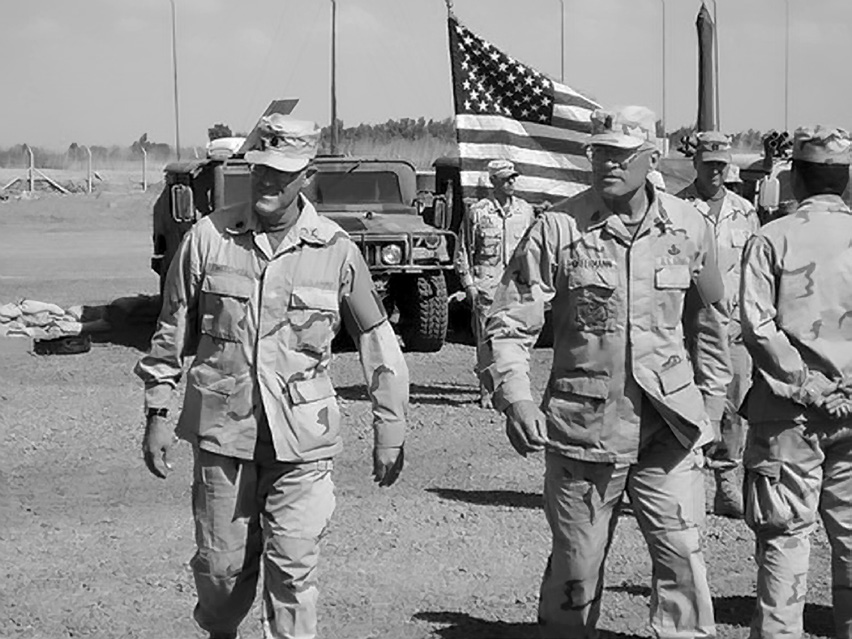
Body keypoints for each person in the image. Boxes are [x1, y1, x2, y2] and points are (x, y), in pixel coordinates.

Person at [135, 114, 408, 639]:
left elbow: (379, 342)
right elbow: (171, 329)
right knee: (220, 575)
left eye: (282, 174)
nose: (266, 182)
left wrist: (390, 428)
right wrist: (157, 410)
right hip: (223, 438)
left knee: (292, 572)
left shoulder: (336, 251)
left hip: (302, 445)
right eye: (260, 170)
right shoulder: (208, 239)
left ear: (307, 178)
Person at [481, 105, 731, 639]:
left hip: (670, 427)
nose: (607, 164)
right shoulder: (560, 228)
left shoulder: (688, 227)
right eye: (599, 153)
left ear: (651, 157)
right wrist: (516, 396)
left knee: (683, 556)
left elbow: (711, 323)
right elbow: (509, 320)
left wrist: (711, 406)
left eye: (620, 155)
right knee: (578, 565)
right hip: (585, 430)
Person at [740, 126, 852, 639]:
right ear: (846, 180)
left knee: (786, 537)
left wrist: (807, 383)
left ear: (796, 178)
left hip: (789, 414)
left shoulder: (771, 238)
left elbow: (757, 325)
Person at [676, 131, 760, 518]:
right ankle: (682, 479)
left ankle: (726, 482)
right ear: (695, 163)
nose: (715, 172)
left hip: (735, 324)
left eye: (721, 166)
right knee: (684, 400)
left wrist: (753, 316)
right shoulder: (675, 207)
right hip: (686, 325)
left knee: (733, 402)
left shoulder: (745, 211)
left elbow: (756, 270)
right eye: (708, 164)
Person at [454, 159, 535, 408]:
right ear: (493, 181)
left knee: (516, 337)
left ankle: (516, 388)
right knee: (486, 341)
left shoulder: (525, 211)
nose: (511, 182)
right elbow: (463, 249)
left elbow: (534, 249)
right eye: (506, 178)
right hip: (486, 285)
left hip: (517, 286)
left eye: (513, 177)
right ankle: (487, 390)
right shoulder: (478, 212)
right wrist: (468, 285)